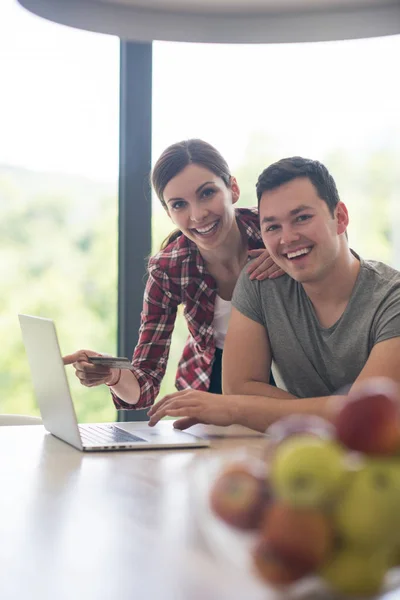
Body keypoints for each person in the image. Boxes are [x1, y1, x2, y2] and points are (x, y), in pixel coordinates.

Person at [148, 156, 400, 432]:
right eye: (272, 227)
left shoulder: (391, 299)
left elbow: (367, 416)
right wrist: (330, 411)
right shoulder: (260, 283)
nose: (287, 238)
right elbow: (239, 388)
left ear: (339, 218)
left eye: (302, 218)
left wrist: (234, 409)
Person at [63, 139, 282, 410]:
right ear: (168, 213)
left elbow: (337, 246)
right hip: (213, 388)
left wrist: (292, 261)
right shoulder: (169, 269)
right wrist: (113, 373)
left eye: (207, 193)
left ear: (232, 189)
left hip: (290, 374)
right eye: (179, 205)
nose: (198, 214)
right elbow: (144, 387)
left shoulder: (275, 231)